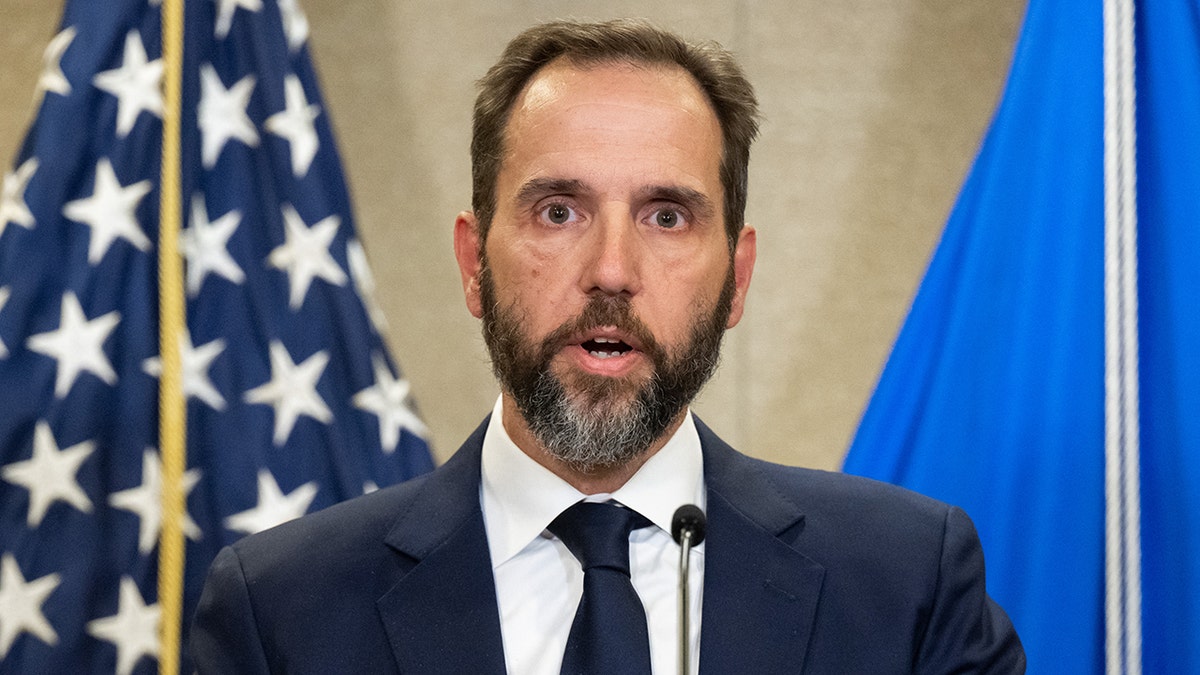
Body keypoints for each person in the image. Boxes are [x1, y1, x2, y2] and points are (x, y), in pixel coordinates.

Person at [190, 18, 1025, 674]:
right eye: (559, 210)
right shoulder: (283, 612)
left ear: (736, 278)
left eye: (667, 216)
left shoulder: (906, 586)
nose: (612, 270)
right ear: (474, 262)